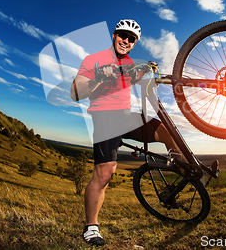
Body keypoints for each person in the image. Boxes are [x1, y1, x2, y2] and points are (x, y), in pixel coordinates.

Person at [70, 19, 181, 246]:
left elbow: (136, 77)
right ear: (114, 35)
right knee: (104, 175)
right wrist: (100, 76)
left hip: (126, 116)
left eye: (132, 39)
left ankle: (182, 177)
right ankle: (91, 227)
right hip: (105, 118)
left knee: (166, 130)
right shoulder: (93, 60)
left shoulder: (129, 62)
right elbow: (76, 92)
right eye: (123, 35)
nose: (127, 41)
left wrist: (148, 69)